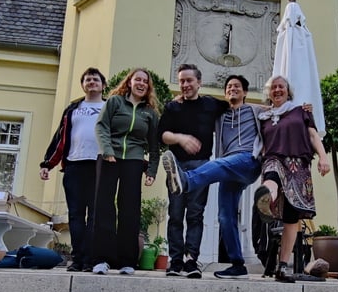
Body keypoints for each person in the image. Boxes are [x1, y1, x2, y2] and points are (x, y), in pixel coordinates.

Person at [162, 74, 262, 278]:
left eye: (237, 86)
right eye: (229, 87)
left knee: (218, 164)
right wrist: (179, 100)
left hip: (248, 161)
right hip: (228, 170)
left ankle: (186, 181)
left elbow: (279, 110)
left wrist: (303, 109)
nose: (232, 89)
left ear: (245, 92)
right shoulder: (221, 114)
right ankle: (237, 265)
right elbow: (199, 104)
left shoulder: (256, 110)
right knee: (225, 217)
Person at [254, 75, 330, 283]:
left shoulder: (301, 111)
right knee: (272, 176)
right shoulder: (264, 116)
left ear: (288, 91)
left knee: (291, 218)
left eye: (281, 86)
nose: (277, 90)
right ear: (269, 93)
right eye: (273, 87)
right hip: (273, 157)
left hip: (298, 164)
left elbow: (313, 136)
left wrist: (323, 158)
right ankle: (266, 200)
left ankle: (282, 266)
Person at [158, 64, 227, 278]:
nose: (185, 84)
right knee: (175, 215)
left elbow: (237, 104)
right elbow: (162, 135)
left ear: (199, 82)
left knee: (195, 215)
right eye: (182, 81)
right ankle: (176, 261)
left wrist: (272, 107)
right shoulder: (173, 107)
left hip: (201, 167)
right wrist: (181, 138)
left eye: (189, 80)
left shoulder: (211, 104)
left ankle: (191, 261)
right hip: (176, 167)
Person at [91, 68, 160, 275]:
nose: (141, 83)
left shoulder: (150, 113)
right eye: (137, 79)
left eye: (145, 81)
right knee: (104, 207)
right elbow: (101, 126)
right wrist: (107, 150)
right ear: (129, 82)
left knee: (130, 209)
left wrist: (152, 171)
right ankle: (102, 259)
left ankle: (127, 261)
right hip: (109, 157)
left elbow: (154, 145)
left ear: (148, 87)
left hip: (134, 159)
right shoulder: (115, 102)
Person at [39, 67, 106, 272]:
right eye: (88, 79)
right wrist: (47, 164)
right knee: (76, 216)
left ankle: (90, 260)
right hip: (74, 165)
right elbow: (60, 139)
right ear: (83, 85)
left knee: (95, 216)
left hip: (100, 166)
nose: (91, 82)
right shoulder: (72, 109)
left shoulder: (109, 107)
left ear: (103, 85)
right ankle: (77, 259)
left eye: (95, 79)